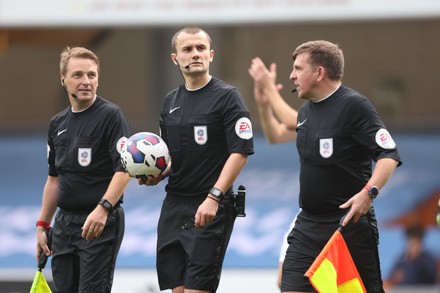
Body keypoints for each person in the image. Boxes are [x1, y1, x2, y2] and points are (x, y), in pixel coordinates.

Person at [249, 40, 402, 293]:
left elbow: (389, 154)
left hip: (348, 225)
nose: (292, 75)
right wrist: (265, 96)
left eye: (298, 68)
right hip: (308, 224)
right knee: (289, 286)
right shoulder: (307, 110)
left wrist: (369, 193)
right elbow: (281, 128)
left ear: (319, 73)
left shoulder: (355, 106)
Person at [140, 26, 254, 293]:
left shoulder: (228, 97)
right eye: (187, 49)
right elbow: (170, 156)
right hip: (173, 206)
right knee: (177, 290)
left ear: (211, 55)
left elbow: (240, 152)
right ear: (175, 58)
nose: (195, 54)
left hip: (210, 205)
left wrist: (214, 197)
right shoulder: (170, 101)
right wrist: (157, 173)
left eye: (201, 48)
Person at [35, 46, 131, 292]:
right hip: (64, 224)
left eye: (92, 75)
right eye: (78, 75)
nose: (86, 81)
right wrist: (43, 226)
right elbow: (54, 180)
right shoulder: (57, 124)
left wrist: (103, 209)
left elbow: (124, 169)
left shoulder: (111, 116)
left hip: (99, 221)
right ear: (63, 80)